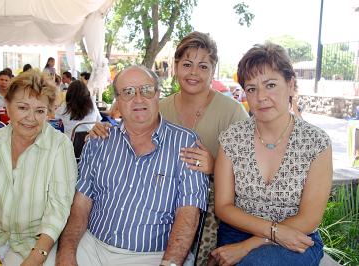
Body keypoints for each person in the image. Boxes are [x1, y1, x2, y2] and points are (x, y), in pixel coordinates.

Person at [90, 31, 248, 264]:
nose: (194, 73)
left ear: (212, 70)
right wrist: (101, 130)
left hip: (213, 213)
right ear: (175, 67)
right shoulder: (158, 107)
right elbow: (128, 135)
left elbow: (250, 174)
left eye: (203, 66)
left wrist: (215, 167)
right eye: (187, 64)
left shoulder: (232, 112)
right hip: (156, 207)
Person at [51, 65, 209, 266]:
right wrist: (66, 253)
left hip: (152, 256)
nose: (138, 99)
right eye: (127, 92)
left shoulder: (186, 143)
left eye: (146, 90)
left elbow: (189, 214)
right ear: (117, 100)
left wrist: (169, 263)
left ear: (158, 94)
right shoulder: (99, 141)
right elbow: (80, 206)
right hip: (92, 247)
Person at [211, 42, 332, 266]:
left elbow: (309, 218)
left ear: (291, 84)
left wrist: (252, 244)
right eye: (252, 88)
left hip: (296, 238)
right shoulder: (232, 138)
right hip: (237, 234)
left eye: (270, 85)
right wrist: (273, 231)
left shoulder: (316, 143)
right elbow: (223, 206)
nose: (261, 97)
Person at [0, 69, 78, 265]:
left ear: (48, 113)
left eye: (40, 111)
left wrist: (36, 257)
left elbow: (58, 209)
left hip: (37, 244)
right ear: (7, 106)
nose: (31, 118)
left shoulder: (60, 146)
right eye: (23, 108)